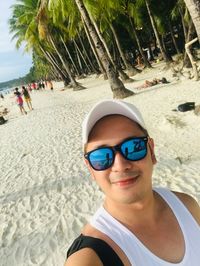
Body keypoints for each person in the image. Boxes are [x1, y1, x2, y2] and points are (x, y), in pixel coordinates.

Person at [65, 99, 200, 266]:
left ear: (151, 151)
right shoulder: (89, 258)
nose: (120, 165)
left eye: (133, 147)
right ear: (91, 169)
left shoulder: (187, 206)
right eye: (101, 156)